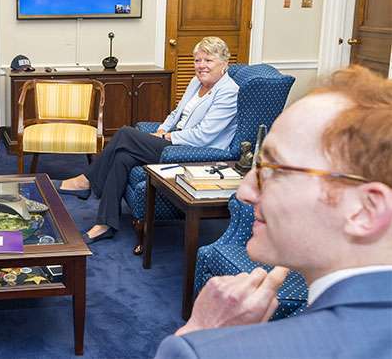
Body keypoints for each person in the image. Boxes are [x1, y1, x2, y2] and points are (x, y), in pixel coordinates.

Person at [155, 66, 392, 358]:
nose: (244, 191)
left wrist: (201, 333)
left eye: (273, 169)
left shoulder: (207, 352)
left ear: (365, 210)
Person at [59, 36, 239, 243]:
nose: (201, 66)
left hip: (194, 151)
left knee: (125, 133)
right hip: (175, 140)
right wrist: (162, 129)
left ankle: (86, 181)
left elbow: (204, 135)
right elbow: (176, 113)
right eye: (198, 60)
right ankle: (105, 224)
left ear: (224, 64)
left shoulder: (229, 91)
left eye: (208, 60)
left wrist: (167, 136)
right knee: (122, 157)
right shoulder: (196, 81)